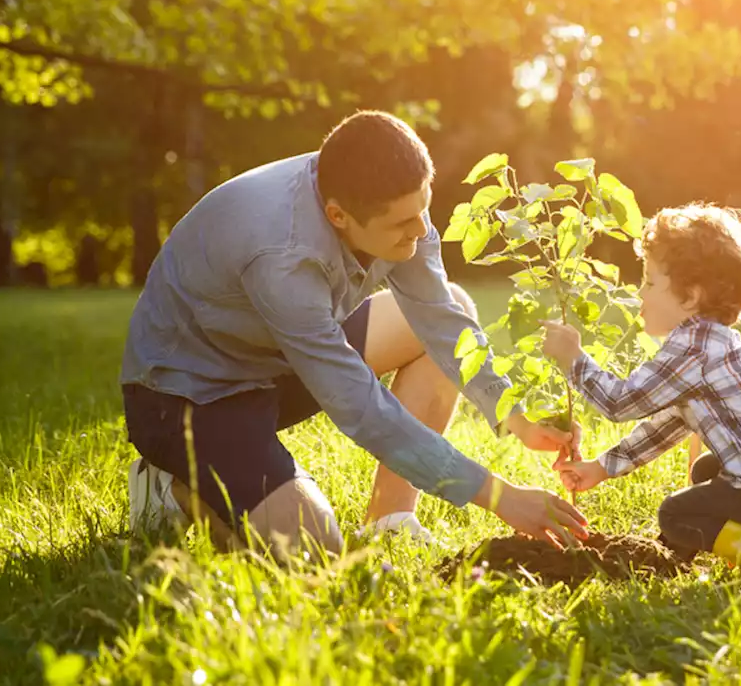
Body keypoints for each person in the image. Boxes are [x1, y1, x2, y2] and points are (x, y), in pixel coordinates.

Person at [121, 110, 587, 555]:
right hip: (190, 397)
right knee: (313, 550)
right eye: (403, 222)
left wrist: (516, 416)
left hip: (277, 357)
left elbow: (441, 319)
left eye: (423, 208)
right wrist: (500, 497)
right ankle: (171, 488)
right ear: (339, 215)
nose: (423, 229)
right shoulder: (282, 255)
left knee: (457, 305)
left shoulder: (391, 205)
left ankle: (390, 522)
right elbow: (362, 407)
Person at [544, 203, 741, 583]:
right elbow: (667, 426)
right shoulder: (712, 346)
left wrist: (573, 360)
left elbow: (619, 403)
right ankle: (672, 559)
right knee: (706, 470)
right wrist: (602, 468)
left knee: (677, 513)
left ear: (690, 297)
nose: (640, 293)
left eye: (650, 282)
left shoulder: (692, 348)